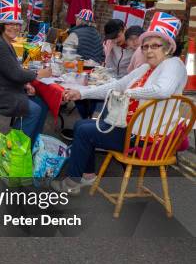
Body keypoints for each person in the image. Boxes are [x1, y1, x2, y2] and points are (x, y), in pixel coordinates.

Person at [53, 12, 187, 195]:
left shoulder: (174, 65)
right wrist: (82, 93)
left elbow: (163, 90)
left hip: (148, 139)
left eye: (155, 46)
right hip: (133, 129)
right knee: (82, 125)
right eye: (145, 46)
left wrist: (128, 92)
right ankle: (87, 173)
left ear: (168, 48)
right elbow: (116, 85)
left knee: (84, 130)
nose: (148, 51)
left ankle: (74, 181)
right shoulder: (146, 68)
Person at [0, 0, 52, 142]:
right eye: (10, 24)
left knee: (43, 104)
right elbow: (16, 74)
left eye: (17, 24)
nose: (15, 27)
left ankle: (30, 145)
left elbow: (9, 71)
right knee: (35, 110)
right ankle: (14, 147)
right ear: (2, 26)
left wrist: (25, 84)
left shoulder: (5, 43)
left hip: (0, 87)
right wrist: (38, 74)